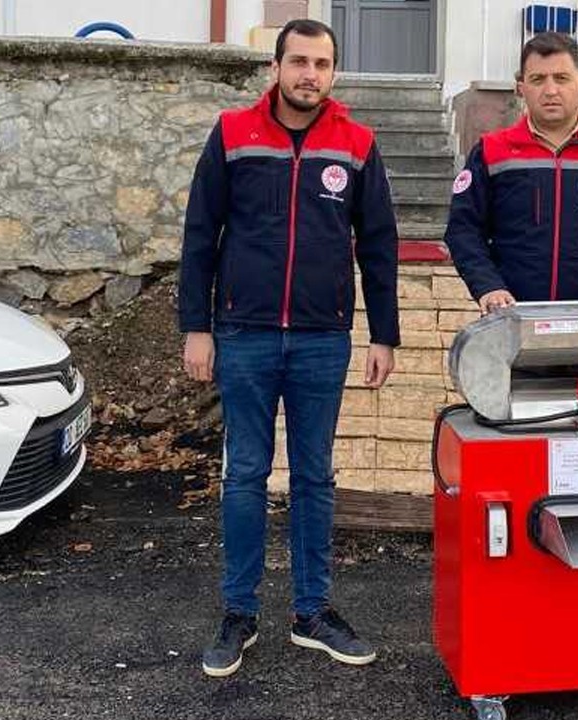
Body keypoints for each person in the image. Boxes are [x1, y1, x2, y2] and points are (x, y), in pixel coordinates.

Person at [178, 18, 400, 678]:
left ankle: (312, 613)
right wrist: (197, 326)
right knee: (244, 474)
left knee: (313, 477)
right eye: (299, 61)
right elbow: (199, 234)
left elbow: (380, 246)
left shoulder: (357, 144)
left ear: (334, 73)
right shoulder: (233, 134)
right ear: (275, 67)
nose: (310, 74)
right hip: (243, 334)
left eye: (322, 63)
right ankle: (238, 614)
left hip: (321, 338)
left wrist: (383, 333)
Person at [444, 32, 578, 314]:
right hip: (512, 322)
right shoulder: (491, 151)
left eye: (561, 78)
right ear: (520, 88)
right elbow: (463, 230)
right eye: (537, 80)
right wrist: (488, 286)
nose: (550, 90)